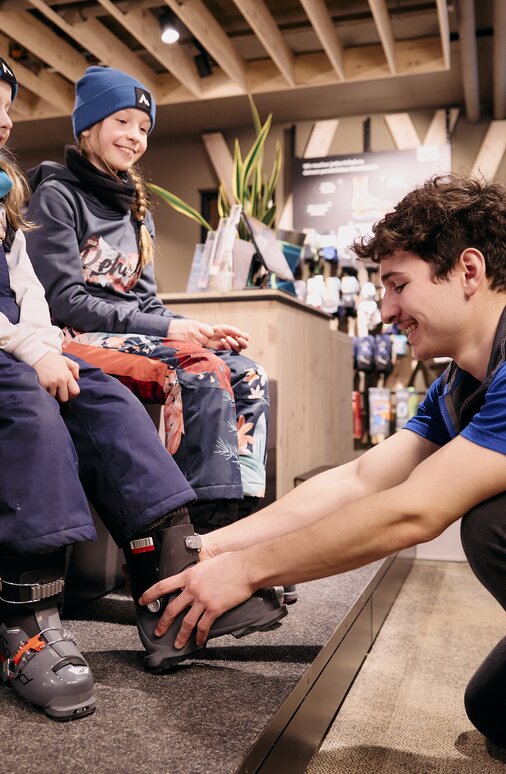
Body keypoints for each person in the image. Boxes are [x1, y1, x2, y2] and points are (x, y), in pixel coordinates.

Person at [140, 174, 506, 750]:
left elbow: (411, 513)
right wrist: (213, 548)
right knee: (495, 711)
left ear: (468, 271)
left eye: (398, 285)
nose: (386, 311)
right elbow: (361, 478)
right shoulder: (461, 384)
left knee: (492, 525)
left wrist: (247, 571)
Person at [0, 60, 286, 722]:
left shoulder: (8, 198)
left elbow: (29, 294)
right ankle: (27, 619)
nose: (7, 120)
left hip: (20, 339)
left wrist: (39, 346)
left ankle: (170, 586)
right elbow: (53, 303)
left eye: (9, 108)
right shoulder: (55, 192)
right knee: (27, 401)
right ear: (91, 125)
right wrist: (29, 350)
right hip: (9, 351)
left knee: (102, 398)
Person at [25, 66, 270, 535]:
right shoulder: (56, 196)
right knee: (196, 370)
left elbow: (147, 305)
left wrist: (194, 328)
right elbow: (64, 301)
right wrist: (170, 332)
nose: (135, 136)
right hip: (68, 339)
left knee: (248, 373)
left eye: (143, 128)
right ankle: (197, 532)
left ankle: (243, 523)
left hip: (125, 339)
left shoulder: (136, 211)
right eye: (122, 122)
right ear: (89, 127)